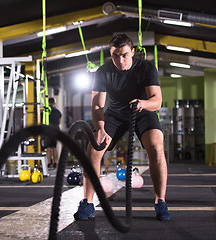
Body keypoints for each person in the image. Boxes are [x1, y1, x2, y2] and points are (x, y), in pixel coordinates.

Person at [74, 34, 170, 221]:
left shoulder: (146, 68)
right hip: (115, 114)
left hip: (144, 111)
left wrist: (142, 103)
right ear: (111, 54)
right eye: (115, 55)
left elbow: (157, 102)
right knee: (94, 148)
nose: (120, 60)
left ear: (133, 52)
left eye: (125, 55)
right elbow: (97, 106)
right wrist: (100, 128)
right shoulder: (103, 71)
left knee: (157, 147)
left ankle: (160, 201)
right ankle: (87, 202)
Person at [46, 97, 62, 168]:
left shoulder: (46, 110)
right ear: (54, 102)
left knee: (49, 148)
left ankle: (49, 163)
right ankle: (55, 163)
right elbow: (59, 121)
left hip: (48, 130)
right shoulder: (57, 111)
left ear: (48, 102)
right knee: (54, 147)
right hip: (55, 130)